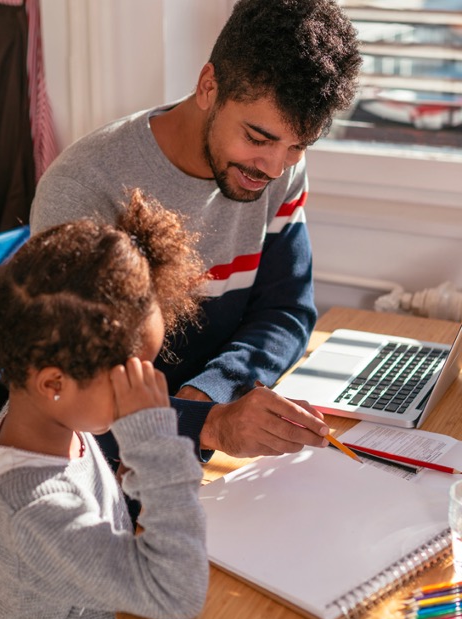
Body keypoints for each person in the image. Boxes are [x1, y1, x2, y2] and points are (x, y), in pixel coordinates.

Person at [30, 0, 362, 463]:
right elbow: (65, 396)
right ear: (209, 86)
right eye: (258, 138)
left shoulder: (281, 167)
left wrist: (208, 395)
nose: (272, 168)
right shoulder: (85, 187)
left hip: (191, 451)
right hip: (93, 472)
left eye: (297, 146)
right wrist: (208, 424)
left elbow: (285, 310)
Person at [0, 189, 209, 619]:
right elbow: (179, 595)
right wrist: (156, 447)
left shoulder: (37, 422)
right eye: (128, 375)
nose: (146, 383)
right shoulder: (37, 508)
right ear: (53, 383)